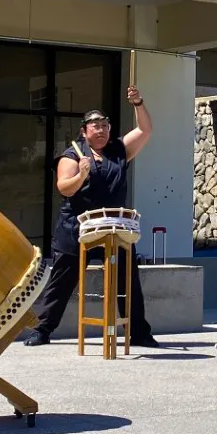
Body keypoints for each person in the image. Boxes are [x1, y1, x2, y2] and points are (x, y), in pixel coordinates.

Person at [22, 88, 159, 348]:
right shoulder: (72, 155)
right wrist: (82, 174)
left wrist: (138, 102)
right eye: (96, 126)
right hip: (77, 228)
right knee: (61, 282)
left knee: (128, 281)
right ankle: (43, 329)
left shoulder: (119, 150)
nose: (102, 130)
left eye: (106, 126)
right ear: (84, 131)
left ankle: (138, 332)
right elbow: (65, 187)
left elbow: (145, 130)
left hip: (115, 228)